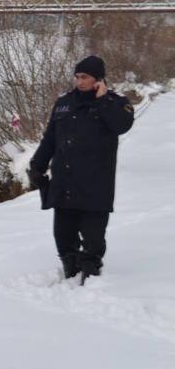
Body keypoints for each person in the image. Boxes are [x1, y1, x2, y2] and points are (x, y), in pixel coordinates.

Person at [28, 55, 134, 282]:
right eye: (77, 76)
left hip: (95, 184)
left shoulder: (116, 103)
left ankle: (91, 274)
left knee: (94, 238)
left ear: (98, 79)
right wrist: (37, 165)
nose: (79, 81)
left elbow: (121, 125)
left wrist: (102, 100)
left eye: (84, 77)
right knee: (63, 234)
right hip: (64, 181)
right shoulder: (64, 102)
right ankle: (70, 269)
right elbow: (50, 139)